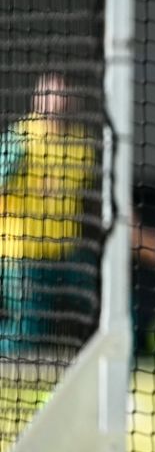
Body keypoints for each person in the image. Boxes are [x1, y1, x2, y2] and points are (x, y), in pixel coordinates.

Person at [0, 73, 99, 357]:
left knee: (97, 305)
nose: (58, 102)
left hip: (65, 255)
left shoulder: (83, 144)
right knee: (27, 331)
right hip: (23, 253)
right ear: (37, 99)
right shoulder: (21, 138)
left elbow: (89, 198)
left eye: (62, 95)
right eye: (51, 95)